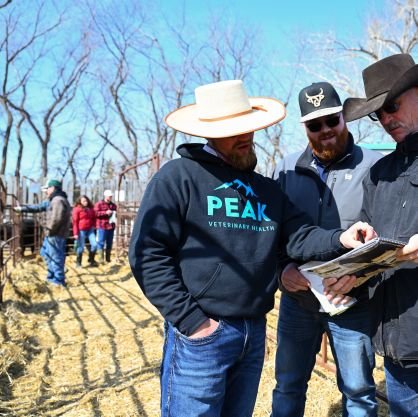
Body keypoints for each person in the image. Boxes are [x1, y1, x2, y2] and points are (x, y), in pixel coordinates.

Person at [128, 79, 375, 417]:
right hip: (202, 333)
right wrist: (193, 322)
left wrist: (340, 239)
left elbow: (299, 235)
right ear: (209, 132)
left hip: (252, 331)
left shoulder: (266, 189)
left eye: (249, 128)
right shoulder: (178, 178)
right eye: (234, 131)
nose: (246, 137)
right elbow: (148, 253)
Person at [271, 82, 381, 417]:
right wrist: (281, 272)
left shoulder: (374, 167)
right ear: (305, 127)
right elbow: (272, 235)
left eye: (331, 121)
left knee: (359, 392)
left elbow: (383, 238)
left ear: (344, 118)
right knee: (288, 385)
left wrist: (358, 274)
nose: (325, 131)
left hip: (352, 301)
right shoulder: (285, 170)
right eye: (314, 125)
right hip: (298, 302)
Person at [343, 53, 418, 417]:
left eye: (392, 106)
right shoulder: (379, 172)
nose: (386, 119)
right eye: (379, 113)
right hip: (398, 347)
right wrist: (356, 245)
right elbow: (366, 233)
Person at [14, 179, 71, 286]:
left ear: (53, 188)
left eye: (47, 188)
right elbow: (38, 207)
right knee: (45, 253)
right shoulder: (53, 200)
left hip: (55, 233)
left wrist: (49, 229)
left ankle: (58, 281)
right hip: (52, 233)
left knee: (55, 256)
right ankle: (51, 277)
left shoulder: (58, 200)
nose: (46, 191)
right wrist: (22, 209)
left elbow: (56, 219)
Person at [72, 195, 98, 268]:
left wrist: (93, 226)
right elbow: (75, 222)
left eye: (86, 200)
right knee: (81, 247)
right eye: (83, 201)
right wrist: (75, 233)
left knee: (95, 245)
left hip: (90, 229)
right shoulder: (77, 209)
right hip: (81, 230)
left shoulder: (90, 209)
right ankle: (78, 262)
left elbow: (94, 218)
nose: (85, 202)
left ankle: (91, 259)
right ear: (80, 202)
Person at [94, 189, 117, 263]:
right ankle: (101, 259)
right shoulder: (99, 204)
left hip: (111, 226)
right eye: (109, 196)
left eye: (111, 196)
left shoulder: (113, 205)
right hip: (102, 226)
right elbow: (95, 213)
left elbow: (116, 214)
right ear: (105, 196)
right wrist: (105, 213)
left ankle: (108, 259)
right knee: (101, 242)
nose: (110, 198)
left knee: (109, 243)